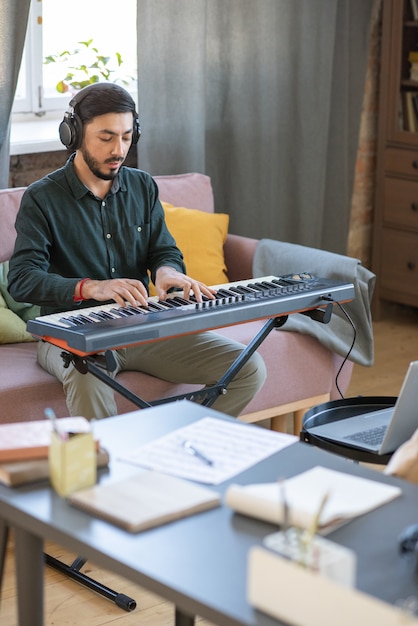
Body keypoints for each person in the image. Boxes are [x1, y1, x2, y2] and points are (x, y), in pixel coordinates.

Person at [8, 83, 266, 420]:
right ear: (74, 134)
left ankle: (172, 450)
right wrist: (92, 287)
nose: (119, 149)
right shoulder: (42, 198)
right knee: (88, 382)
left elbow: (163, 250)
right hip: (70, 335)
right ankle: (113, 470)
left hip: (142, 325)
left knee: (249, 368)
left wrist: (167, 272)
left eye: (127, 137)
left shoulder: (142, 186)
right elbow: (22, 280)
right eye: (106, 137)